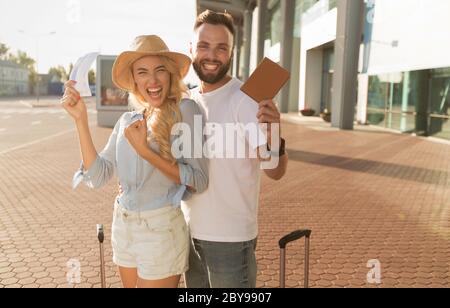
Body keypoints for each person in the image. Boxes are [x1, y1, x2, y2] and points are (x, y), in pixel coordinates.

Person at [61, 35, 208, 288]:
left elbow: (199, 180)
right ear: (135, 80)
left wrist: (146, 152)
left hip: (161, 228)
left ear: (171, 75)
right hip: (123, 223)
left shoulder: (185, 110)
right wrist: (80, 120)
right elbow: (97, 177)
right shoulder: (127, 121)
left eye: (159, 70)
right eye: (143, 72)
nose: (152, 80)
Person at [182, 10, 289, 288]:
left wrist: (274, 134)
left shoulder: (246, 100)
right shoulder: (185, 101)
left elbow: (274, 170)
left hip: (229, 241)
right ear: (191, 49)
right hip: (186, 233)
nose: (212, 55)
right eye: (204, 46)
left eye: (221, 48)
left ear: (231, 53)